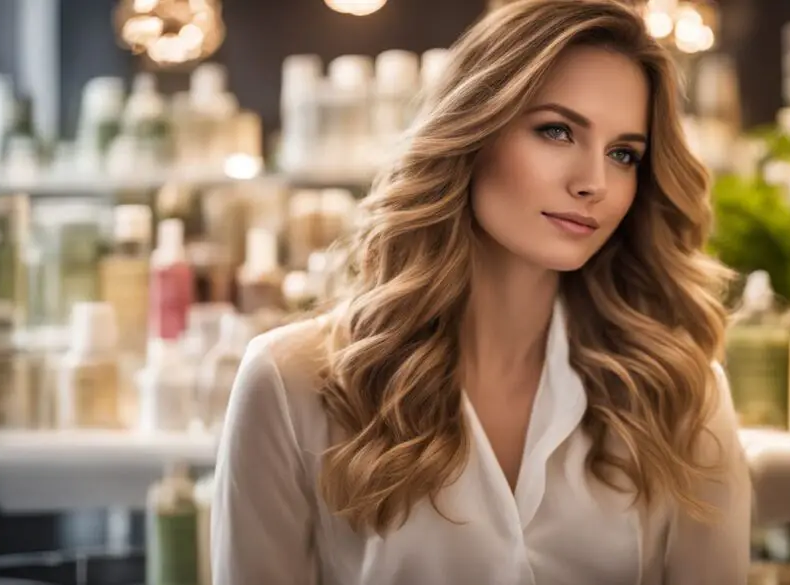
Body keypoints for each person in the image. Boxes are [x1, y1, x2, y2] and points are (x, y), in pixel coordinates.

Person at [211, 0, 751, 583]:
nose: (593, 182)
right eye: (556, 131)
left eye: (624, 154)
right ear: (473, 130)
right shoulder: (290, 385)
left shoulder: (679, 395)